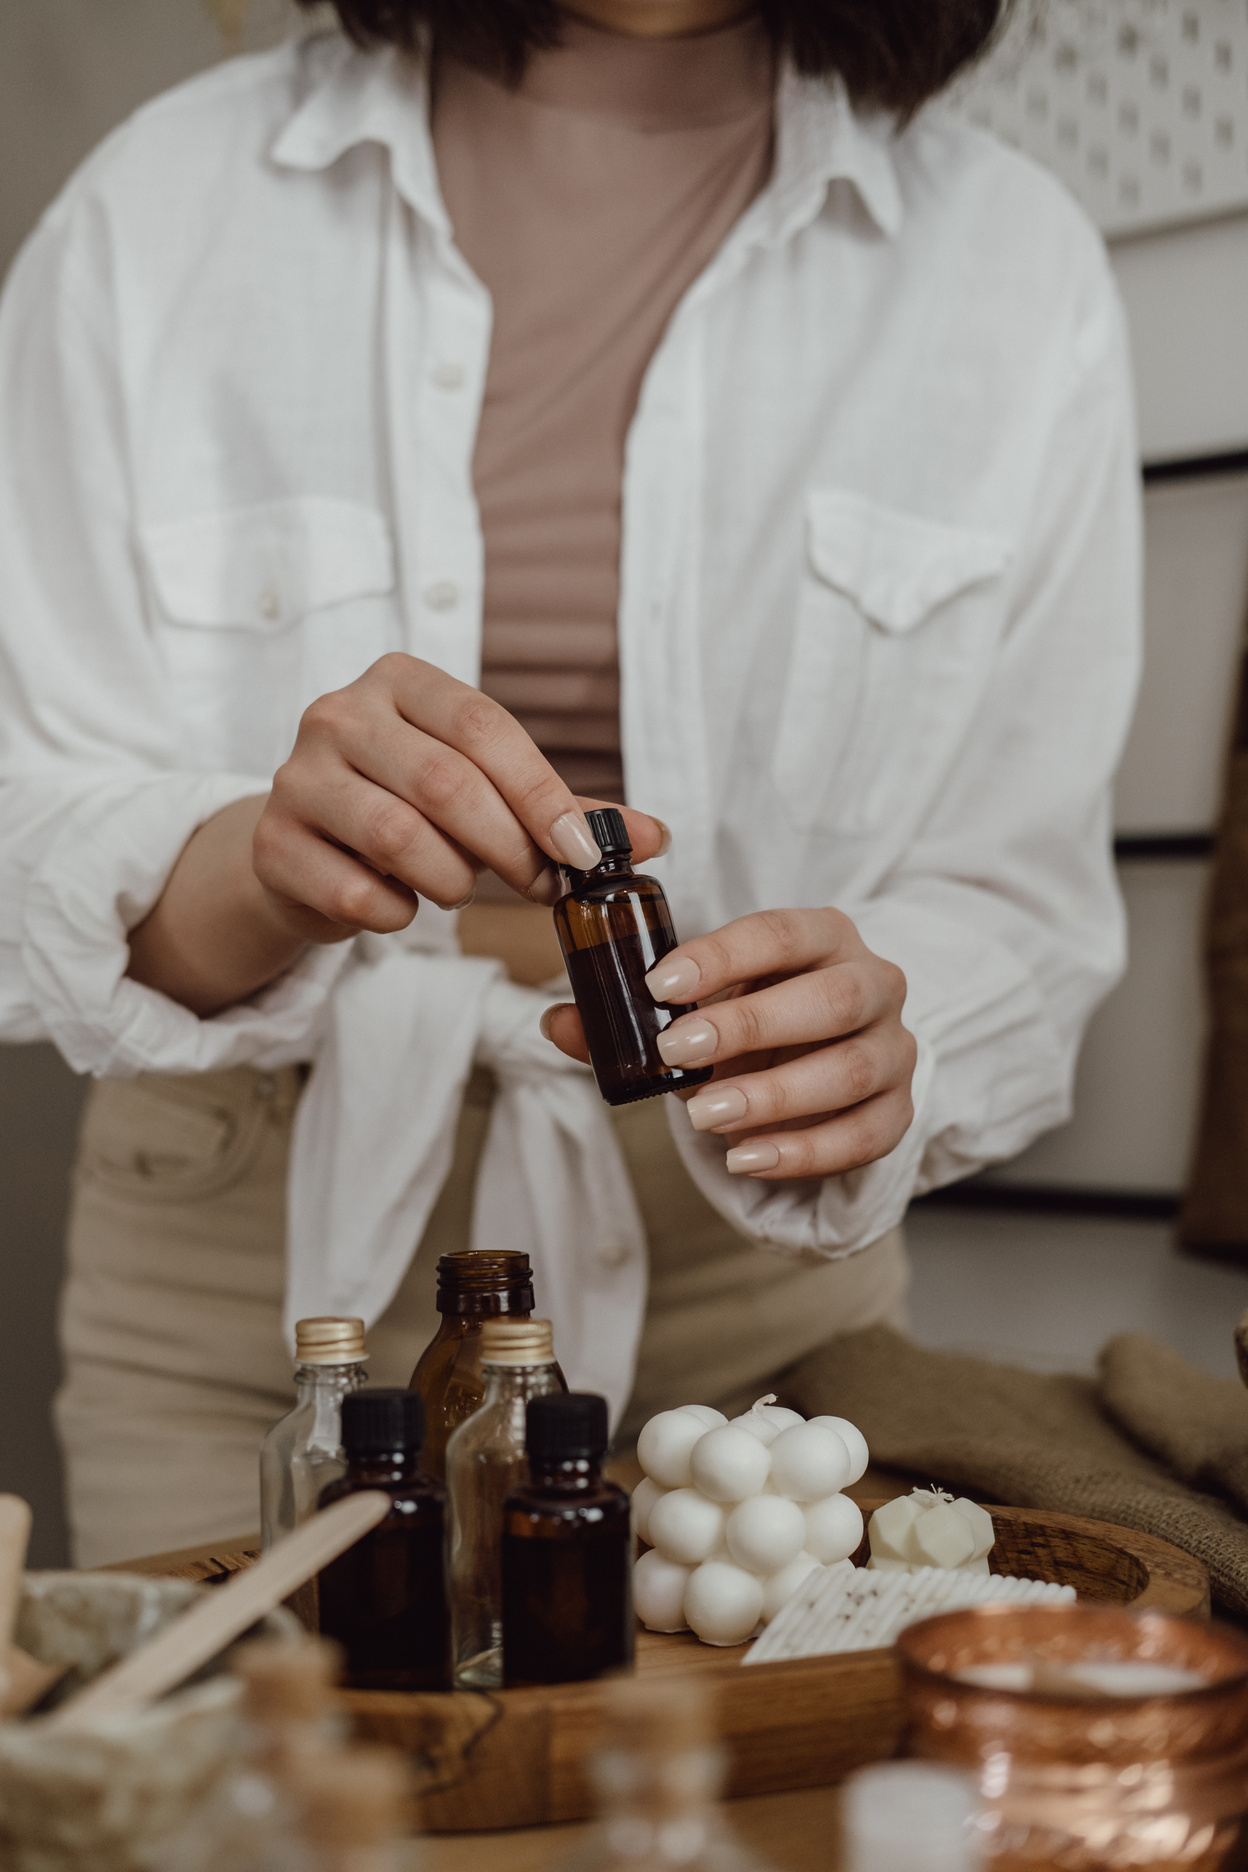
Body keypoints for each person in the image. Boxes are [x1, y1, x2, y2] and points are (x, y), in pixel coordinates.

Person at [0, 0, 1140, 1564]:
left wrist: (890, 1034)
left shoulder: (1011, 264)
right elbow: (26, 821)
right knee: (257, 1802)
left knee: (706, 1807)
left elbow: (1022, 892)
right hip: (247, 1298)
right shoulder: (163, 209)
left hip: (753, 1319)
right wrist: (259, 866)